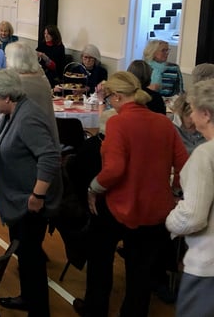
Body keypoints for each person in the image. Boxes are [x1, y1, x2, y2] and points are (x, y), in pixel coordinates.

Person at [75, 72, 187, 316]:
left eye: (108, 97)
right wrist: (176, 191)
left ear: (116, 96)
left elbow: (115, 169)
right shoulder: (163, 122)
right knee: (141, 273)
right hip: (156, 207)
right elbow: (183, 163)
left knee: (100, 261)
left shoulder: (117, 122)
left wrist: (93, 188)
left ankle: (96, 308)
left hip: (118, 205)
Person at [0, 69, 62, 316]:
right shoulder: (11, 112)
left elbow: (49, 157)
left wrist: (38, 196)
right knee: (25, 256)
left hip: (30, 203)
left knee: (31, 258)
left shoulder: (28, 117)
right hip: (18, 199)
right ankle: (28, 298)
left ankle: (39, 310)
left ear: (7, 97)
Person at [166, 79, 214, 317]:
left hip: (207, 265)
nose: (191, 116)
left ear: (205, 114)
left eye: (193, 109)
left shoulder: (204, 155)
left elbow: (193, 218)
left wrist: (169, 219)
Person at [4, 42, 59, 143]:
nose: (5, 61)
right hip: (45, 133)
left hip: (26, 138)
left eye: (7, 57)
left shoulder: (18, 84)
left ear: (14, 60)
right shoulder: (41, 78)